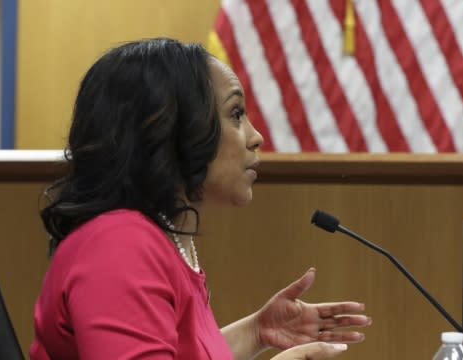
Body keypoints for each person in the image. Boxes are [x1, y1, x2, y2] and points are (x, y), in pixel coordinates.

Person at [30, 38, 371, 360]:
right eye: (236, 114)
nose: (256, 137)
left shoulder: (157, 237)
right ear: (170, 129)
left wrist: (256, 332)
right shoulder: (118, 245)